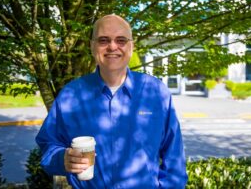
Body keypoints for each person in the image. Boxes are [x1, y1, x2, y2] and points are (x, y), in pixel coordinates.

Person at [36, 14, 187, 188]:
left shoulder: (156, 92)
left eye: (121, 40)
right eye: (103, 40)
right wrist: (61, 159)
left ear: (131, 46)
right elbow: (47, 145)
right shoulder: (71, 95)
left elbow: (174, 157)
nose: (112, 46)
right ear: (92, 47)